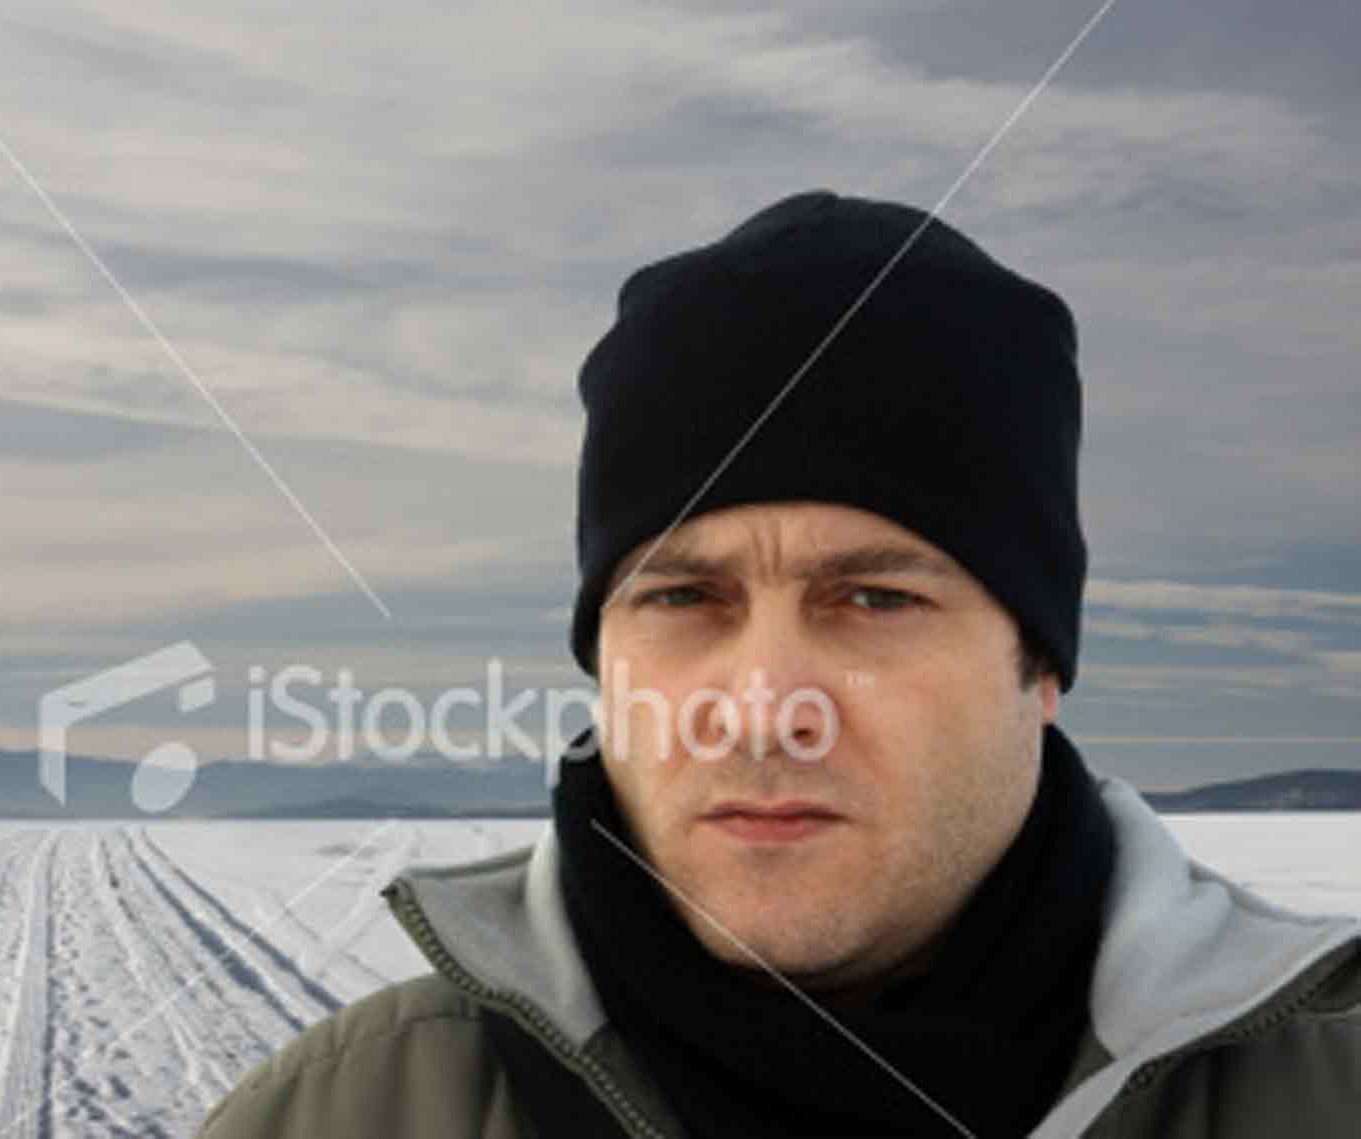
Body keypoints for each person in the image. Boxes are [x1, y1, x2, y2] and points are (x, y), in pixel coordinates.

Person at [197, 191, 1361, 1138]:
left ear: (1039, 663)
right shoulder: (345, 1115)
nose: (763, 707)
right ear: (603, 655)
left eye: (872, 597)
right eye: (682, 596)